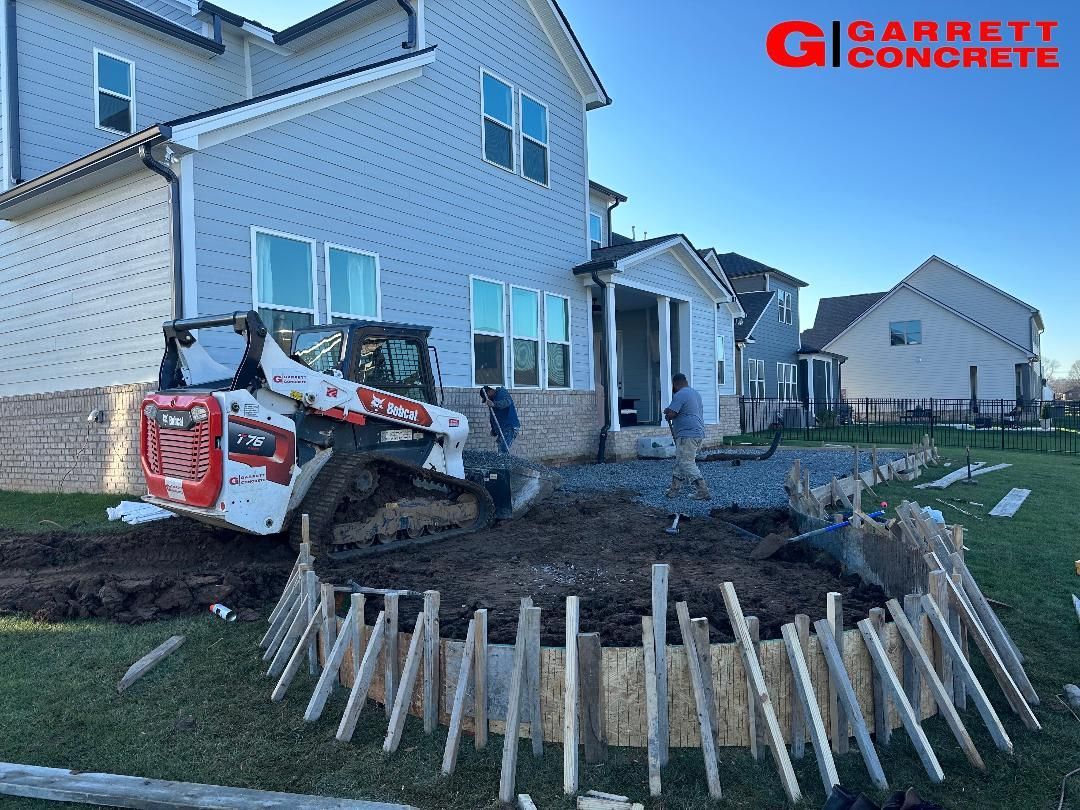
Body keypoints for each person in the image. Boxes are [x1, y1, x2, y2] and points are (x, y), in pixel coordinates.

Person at [663, 373, 711, 500]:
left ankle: (702, 490)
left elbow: (673, 413)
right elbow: (685, 409)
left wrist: (668, 413)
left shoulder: (680, 394)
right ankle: (674, 489)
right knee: (681, 461)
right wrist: (670, 410)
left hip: (687, 434)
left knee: (686, 462)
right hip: (697, 432)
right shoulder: (694, 393)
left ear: (675, 383)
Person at [481, 385, 520, 453]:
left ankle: (505, 463)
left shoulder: (502, 393)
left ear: (490, 391)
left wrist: (494, 404)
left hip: (509, 427)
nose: (488, 399)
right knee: (501, 450)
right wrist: (494, 430)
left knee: (503, 451)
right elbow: (493, 417)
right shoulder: (492, 400)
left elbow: (507, 402)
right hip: (503, 428)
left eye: (487, 396)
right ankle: (504, 463)